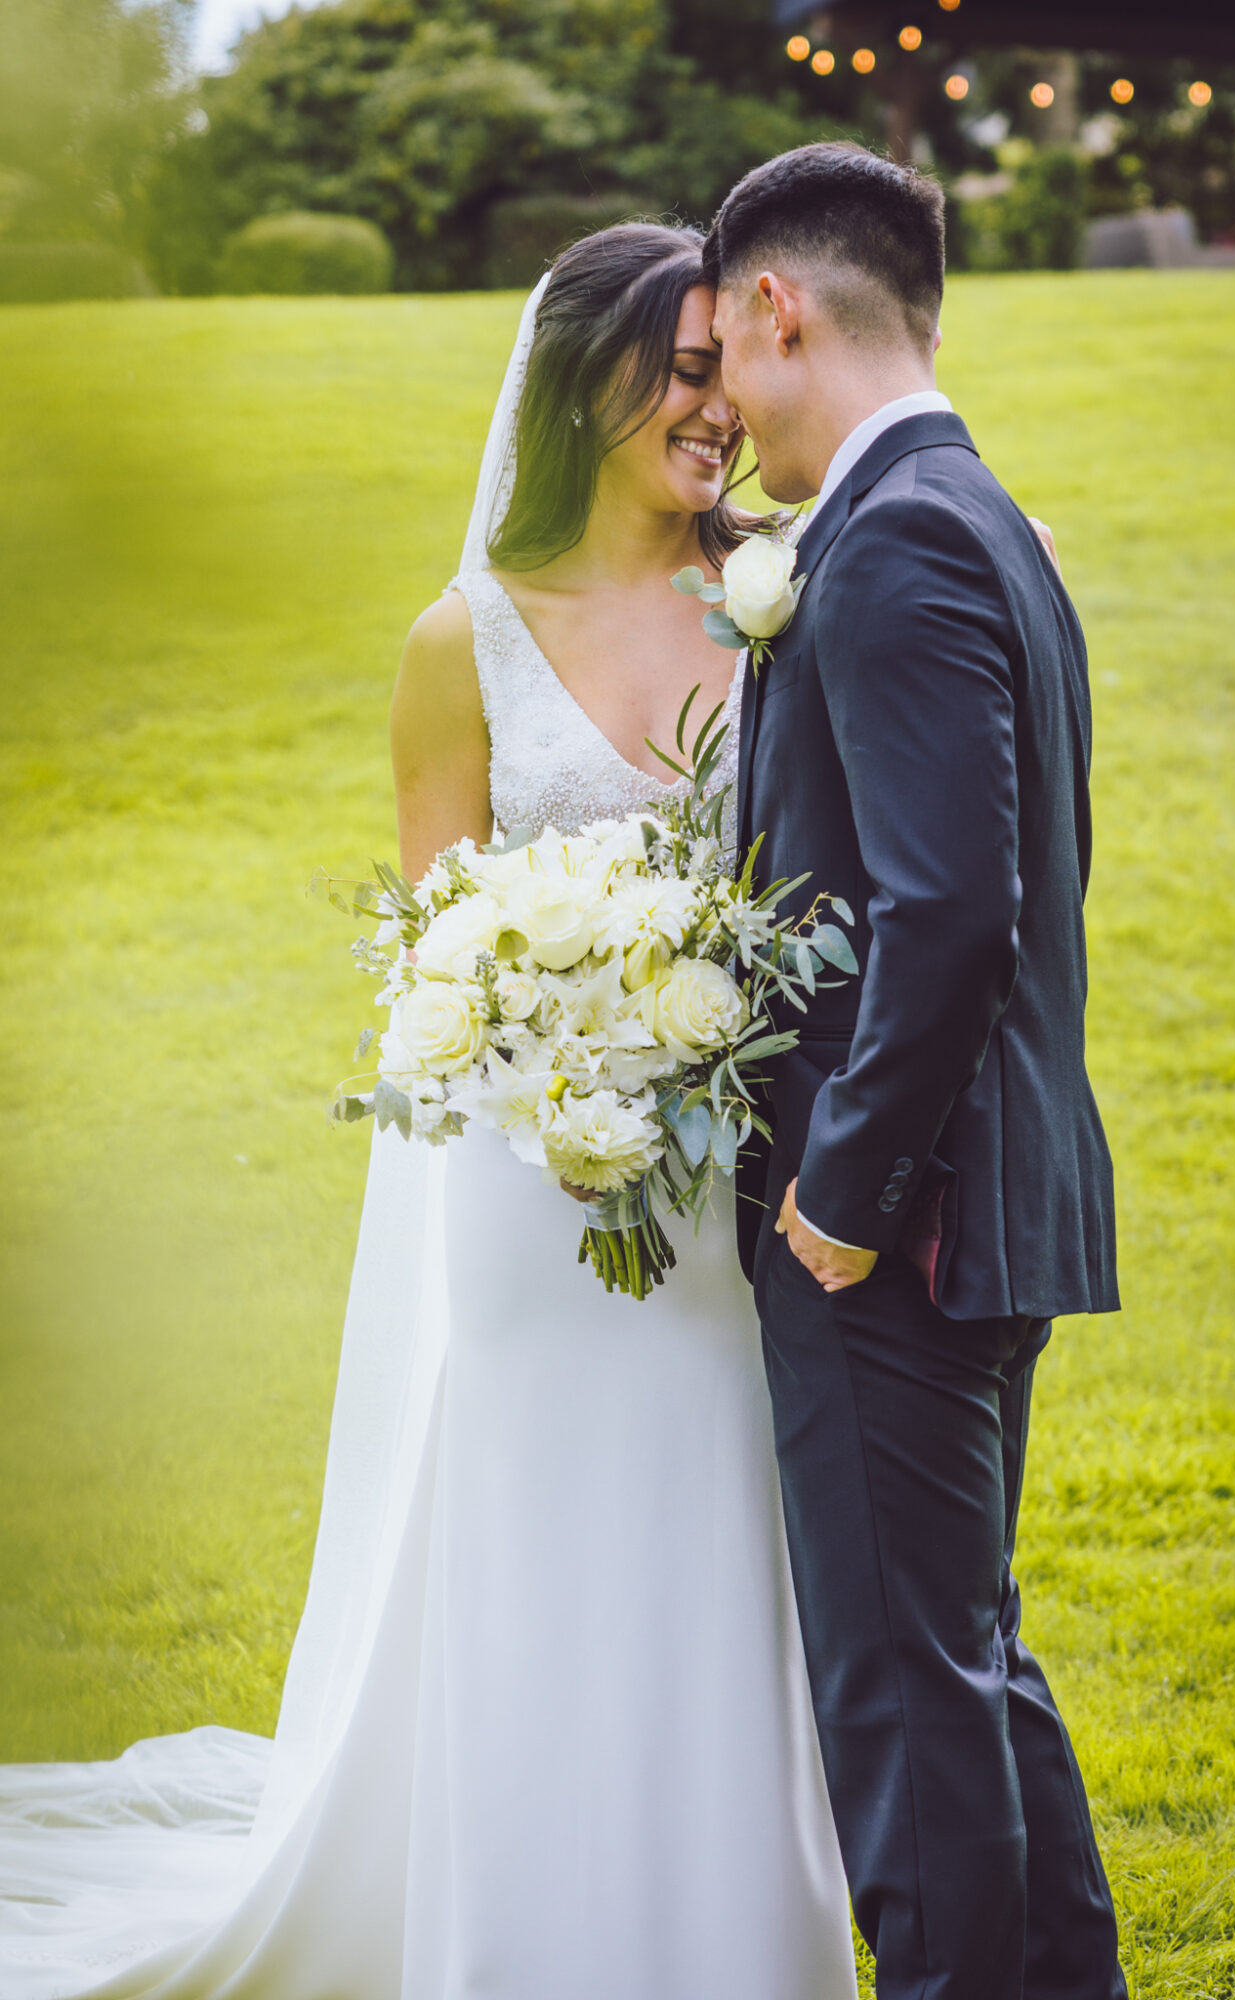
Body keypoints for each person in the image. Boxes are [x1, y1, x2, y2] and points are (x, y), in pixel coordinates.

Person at [0, 224, 857, 2000]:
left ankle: (719, 1937)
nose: (715, 407)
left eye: (723, 367)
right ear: (581, 381)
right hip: (539, 1189)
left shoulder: (784, 586)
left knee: (718, 1542)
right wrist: (576, 1040)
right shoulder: (458, 640)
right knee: (540, 1539)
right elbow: (435, 961)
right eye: (681, 370)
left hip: (731, 1186)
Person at [704, 144, 1126, 2000]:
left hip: (907, 1227)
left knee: (899, 1688)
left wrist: (841, 1199)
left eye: (719, 350)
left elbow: (952, 914)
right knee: (964, 1652)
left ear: (780, 308)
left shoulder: (892, 544)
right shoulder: (985, 517)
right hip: (983, 1198)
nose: (719, 402)